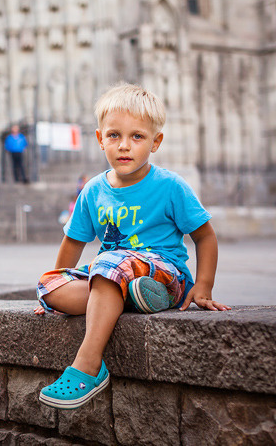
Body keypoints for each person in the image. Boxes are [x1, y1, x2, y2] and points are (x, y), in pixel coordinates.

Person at [34, 82, 230, 410]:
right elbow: (72, 243)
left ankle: (88, 366)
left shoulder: (170, 186)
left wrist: (203, 286)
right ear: (100, 139)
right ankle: (130, 296)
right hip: (117, 273)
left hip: (166, 271)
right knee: (47, 284)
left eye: (137, 137)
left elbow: (205, 236)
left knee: (109, 265)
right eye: (114, 136)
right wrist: (55, 291)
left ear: (156, 142)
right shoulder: (94, 190)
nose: (124, 146)